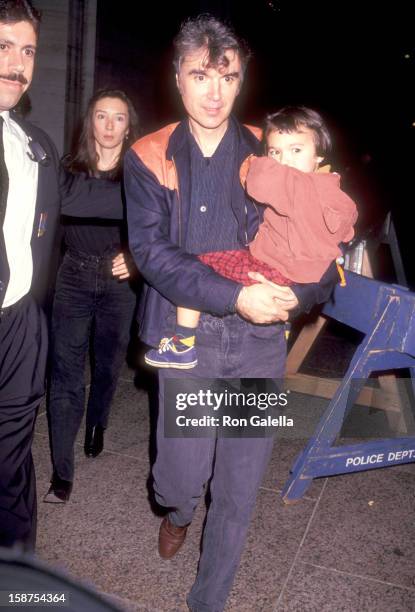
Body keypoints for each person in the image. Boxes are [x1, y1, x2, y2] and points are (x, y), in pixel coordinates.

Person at [124, 15, 338, 612]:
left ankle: (208, 601)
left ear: (241, 80)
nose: (214, 92)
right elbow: (150, 252)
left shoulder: (271, 152)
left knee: (239, 491)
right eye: (200, 75)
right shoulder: (149, 154)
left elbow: (320, 228)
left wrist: (307, 291)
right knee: (181, 479)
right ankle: (176, 512)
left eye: (227, 76)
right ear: (177, 78)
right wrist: (233, 292)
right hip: (183, 340)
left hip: (257, 342)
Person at [0, 0, 125, 550]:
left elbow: (95, 197)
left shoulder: (37, 145)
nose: (17, 63)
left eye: (27, 50)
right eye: (3, 46)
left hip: (21, 324)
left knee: (12, 455)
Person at [145, 105, 358, 369]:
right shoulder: (332, 190)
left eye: (296, 150)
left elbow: (257, 181)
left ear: (318, 156)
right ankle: (283, 329)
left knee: (199, 264)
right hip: (293, 276)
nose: (284, 160)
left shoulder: (294, 184)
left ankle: (183, 344)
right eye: (275, 152)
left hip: (272, 269)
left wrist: (262, 162)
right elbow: (346, 228)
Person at [43, 90, 140, 504]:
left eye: (118, 118)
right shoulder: (68, 170)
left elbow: (159, 227)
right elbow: (51, 226)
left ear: (128, 126)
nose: (109, 125)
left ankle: (98, 421)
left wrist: (136, 258)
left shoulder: (141, 176)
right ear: (91, 122)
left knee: (107, 366)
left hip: (120, 286)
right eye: (102, 116)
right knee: (65, 376)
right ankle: (61, 473)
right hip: (74, 277)